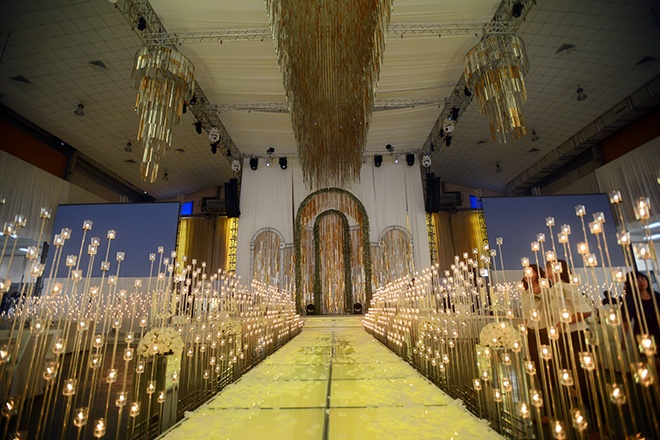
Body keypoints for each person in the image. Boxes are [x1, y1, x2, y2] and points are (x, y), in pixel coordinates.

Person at [623, 271, 660, 370]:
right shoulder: (630, 300)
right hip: (644, 334)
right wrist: (623, 339)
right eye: (636, 280)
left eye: (642, 279)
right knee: (655, 362)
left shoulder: (656, 296)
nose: (641, 281)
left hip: (658, 329)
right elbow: (626, 320)